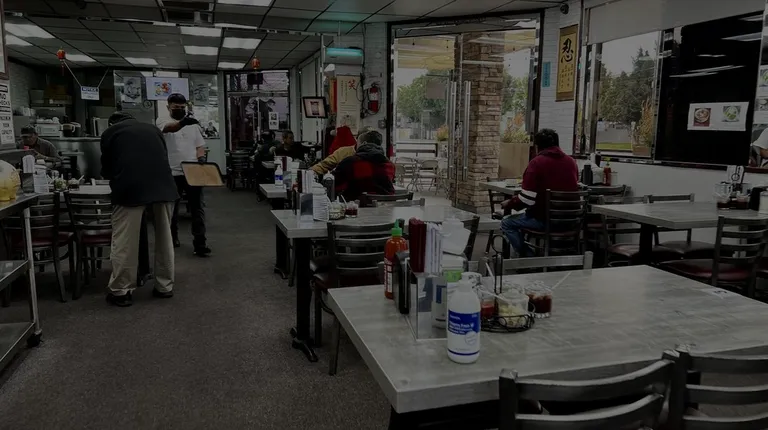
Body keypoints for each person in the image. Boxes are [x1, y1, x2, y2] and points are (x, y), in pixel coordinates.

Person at [100, 112, 179, 307]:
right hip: (164, 187)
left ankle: (121, 290)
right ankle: (165, 286)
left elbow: (107, 168)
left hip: (130, 188)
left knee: (125, 240)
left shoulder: (111, 132)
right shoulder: (153, 130)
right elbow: (162, 158)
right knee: (165, 238)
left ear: (112, 123)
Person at [500, 129, 578, 257]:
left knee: (507, 222)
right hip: (571, 221)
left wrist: (510, 203)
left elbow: (527, 199)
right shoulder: (571, 162)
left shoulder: (537, 163)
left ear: (537, 147)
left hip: (544, 221)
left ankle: (529, 258)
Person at [156, 93, 210, 257]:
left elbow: (199, 145)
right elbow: (170, 128)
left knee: (197, 208)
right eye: (176, 107)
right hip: (172, 172)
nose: (179, 110)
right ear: (168, 107)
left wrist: (201, 157)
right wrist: (183, 122)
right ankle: (172, 239)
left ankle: (200, 244)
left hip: (192, 170)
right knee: (172, 209)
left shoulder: (193, 125)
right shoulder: (162, 120)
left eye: (182, 107)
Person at [333, 130, 395, 201]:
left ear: (364, 143)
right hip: (387, 205)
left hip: (357, 205)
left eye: (357, 143)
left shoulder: (350, 162)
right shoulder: (389, 165)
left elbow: (333, 184)